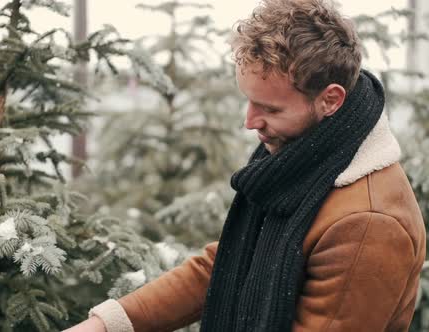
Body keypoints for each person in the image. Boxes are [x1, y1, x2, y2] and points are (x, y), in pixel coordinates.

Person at [65, 0, 426, 331]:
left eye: (270, 109)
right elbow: (225, 267)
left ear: (330, 100)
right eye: (249, 102)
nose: (249, 121)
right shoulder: (303, 163)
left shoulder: (367, 225)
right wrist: (105, 324)